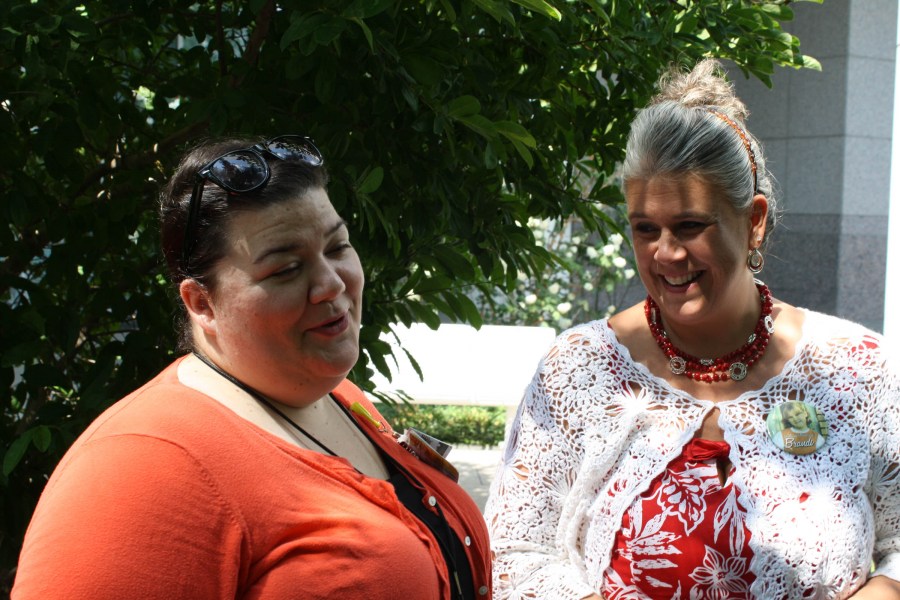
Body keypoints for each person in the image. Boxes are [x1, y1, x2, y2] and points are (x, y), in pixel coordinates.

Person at [484, 60, 900, 599]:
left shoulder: (858, 370)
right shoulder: (580, 370)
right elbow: (513, 555)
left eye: (689, 226)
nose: (666, 253)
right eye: (645, 228)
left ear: (753, 221)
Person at [13, 135, 492, 599]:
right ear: (202, 303)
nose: (331, 284)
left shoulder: (336, 397)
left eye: (337, 247)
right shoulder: (141, 466)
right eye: (285, 269)